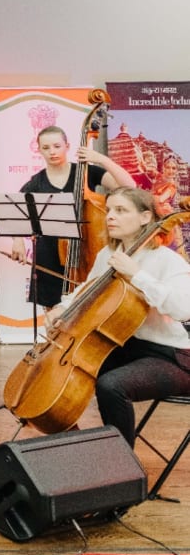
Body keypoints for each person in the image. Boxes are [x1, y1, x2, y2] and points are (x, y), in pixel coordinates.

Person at [45, 187, 190, 446]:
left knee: (112, 385)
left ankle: (123, 468)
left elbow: (184, 308)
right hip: (128, 347)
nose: (110, 216)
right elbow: (85, 293)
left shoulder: (167, 260)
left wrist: (137, 275)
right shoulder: (107, 255)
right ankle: (72, 445)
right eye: (110, 210)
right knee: (65, 370)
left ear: (146, 217)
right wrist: (61, 309)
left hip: (174, 357)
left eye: (121, 211)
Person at [11, 125, 135, 309]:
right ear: (39, 150)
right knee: (53, 312)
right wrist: (18, 240)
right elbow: (16, 212)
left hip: (86, 250)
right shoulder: (37, 181)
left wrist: (100, 159)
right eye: (46, 148)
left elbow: (129, 186)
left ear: (67, 146)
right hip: (50, 253)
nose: (52, 152)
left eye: (57, 146)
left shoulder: (86, 172)